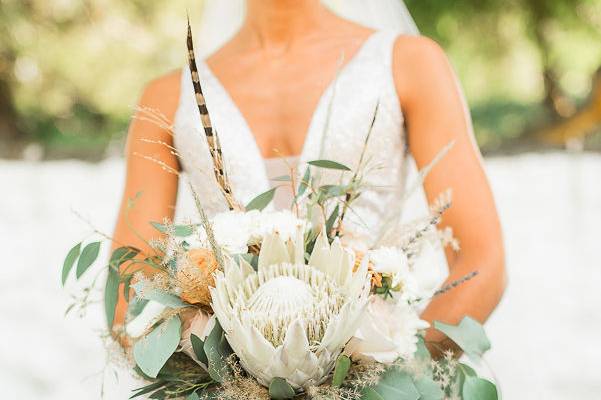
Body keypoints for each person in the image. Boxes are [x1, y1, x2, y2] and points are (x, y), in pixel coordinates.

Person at [112, 0, 506, 357]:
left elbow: (481, 263)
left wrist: (395, 373)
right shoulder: (166, 99)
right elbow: (127, 295)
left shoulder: (409, 64)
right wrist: (218, 380)